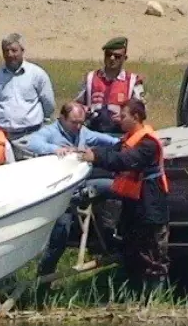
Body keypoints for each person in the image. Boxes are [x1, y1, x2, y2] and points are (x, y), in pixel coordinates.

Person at [79, 98, 169, 293]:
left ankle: (155, 300)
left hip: (150, 205)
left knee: (153, 255)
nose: (118, 119)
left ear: (135, 117)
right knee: (133, 253)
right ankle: (136, 295)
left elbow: (125, 160)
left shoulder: (148, 144)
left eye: (123, 115)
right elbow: (111, 151)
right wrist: (87, 152)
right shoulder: (128, 139)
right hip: (134, 205)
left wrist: (97, 157)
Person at [29, 103, 121, 277]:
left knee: (116, 186)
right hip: (61, 192)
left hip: (83, 185)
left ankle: (117, 238)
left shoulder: (83, 132)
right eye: (74, 122)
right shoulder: (50, 132)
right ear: (62, 119)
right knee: (60, 235)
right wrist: (55, 150)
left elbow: (105, 139)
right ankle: (44, 277)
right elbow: (33, 143)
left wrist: (124, 143)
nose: (78, 127)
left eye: (81, 122)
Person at [0, 32, 55, 148]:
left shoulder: (37, 74)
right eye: (6, 51)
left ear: (22, 50)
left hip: (31, 135)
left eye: (14, 50)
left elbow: (48, 104)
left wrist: (43, 127)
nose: (9, 54)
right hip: (3, 137)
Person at [76, 36, 145, 135]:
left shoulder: (133, 81)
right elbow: (78, 104)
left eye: (117, 56)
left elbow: (141, 112)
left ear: (125, 58)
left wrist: (124, 117)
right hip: (92, 134)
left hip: (120, 135)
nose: (112, 58)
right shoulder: (90, 78)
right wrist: (84, 111)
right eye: (108, 55)